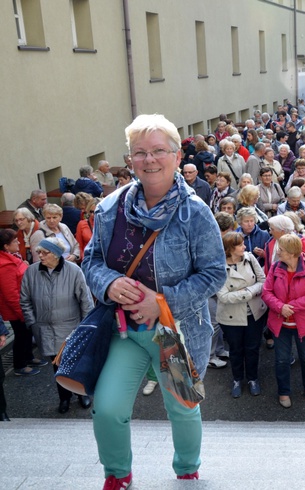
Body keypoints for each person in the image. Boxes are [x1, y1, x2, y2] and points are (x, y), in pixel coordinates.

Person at [81, 114, 226, 487]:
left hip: (171, 333)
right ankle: (118, 473)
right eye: (140, 152)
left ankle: (187, 468)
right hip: (124, 330)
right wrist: (109, 284)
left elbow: (214, 274)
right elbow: (92, 261)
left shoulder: (195, 212)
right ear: (130, 159)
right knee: (108, 409)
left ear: (177, 156)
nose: (149, 160)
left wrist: (161, 301)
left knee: (182, 406)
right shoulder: (110, 208)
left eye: (159, 150)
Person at [20, 237, 94, 412]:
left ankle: (82, 394)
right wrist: (32, 323)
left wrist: (85, 328)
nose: (40, 256)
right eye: (38, 252)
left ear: (56, 254)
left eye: (44, 253)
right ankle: (64, 398)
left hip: (70, 328)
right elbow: (25, 300)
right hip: (44, 328)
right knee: (57, 366)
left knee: (74, 362)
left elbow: (86, 301)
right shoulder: (31, 272)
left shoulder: (74, 271)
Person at [261, 234, 305, 408]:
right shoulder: (275, 268)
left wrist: (291, 306)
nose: (278, 252)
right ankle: (284, 392)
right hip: (281, 324)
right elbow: (266, 292)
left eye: (281, 249)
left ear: (292, 252)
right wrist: (280, 307)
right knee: (281, 360)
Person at [217, 232, 268, 398]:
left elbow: (263, 281)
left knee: (253, 348)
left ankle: (253, 378)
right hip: (230, 318)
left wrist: (246, 291)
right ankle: (237, 379)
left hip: (254, 313)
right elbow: (222, 296)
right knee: (236, 349)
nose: (245, 247)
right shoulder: (218, 266)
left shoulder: (250, 258)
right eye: (240, 245)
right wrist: (249, 293)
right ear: (230, 249)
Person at [0, 229, 47, 377]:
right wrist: (22, 313)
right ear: (6, 246)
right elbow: (11, 295)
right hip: (17, 309)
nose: (18, 242)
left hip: (24, 305)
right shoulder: (4, 265)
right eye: (14, 241)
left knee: (27, 333)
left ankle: (28, 357)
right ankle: (20, 365)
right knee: (21, 335)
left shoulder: (12, 258)